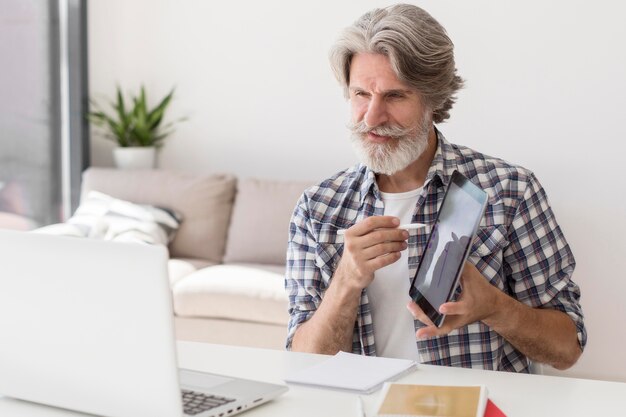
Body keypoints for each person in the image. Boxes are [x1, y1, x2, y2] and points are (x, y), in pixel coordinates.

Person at [285, 4, 586, 372]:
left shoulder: (508, 191)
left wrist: (494, 307)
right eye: (361, 94)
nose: (372, 117)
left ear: (433, 100)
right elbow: (304, 364)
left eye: (395, 96)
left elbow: (567, 347)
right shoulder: (318, 209)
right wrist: (346, 281)